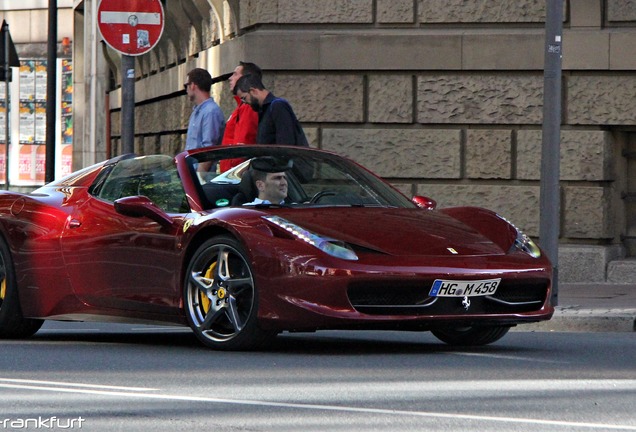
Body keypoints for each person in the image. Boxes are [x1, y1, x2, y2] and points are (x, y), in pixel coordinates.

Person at [234, 74, 308, 146]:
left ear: (253, 91)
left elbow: (286, 144)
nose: (245, 103)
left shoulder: (278, 106)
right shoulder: (264, 110)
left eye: (244, 98)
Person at [219, 62, 262, 172]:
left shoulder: (248, 108)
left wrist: (233, 173)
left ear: (245, 79)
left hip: (236, 175)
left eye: (235, 74)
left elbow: (243, 145)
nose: (230, 78)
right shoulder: (241, 108)